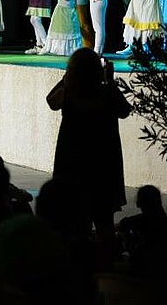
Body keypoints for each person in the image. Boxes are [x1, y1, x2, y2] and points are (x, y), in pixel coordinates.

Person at [45, 48, 131, 245]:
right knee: (103, 220)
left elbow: (51, 100)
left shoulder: (67, 95)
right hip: (102, 162)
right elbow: (124, 111)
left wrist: (68, 78)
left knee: (75, 219)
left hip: (73, 161)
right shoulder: (106, 93)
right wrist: (109, 80)